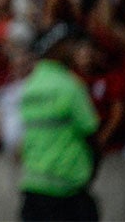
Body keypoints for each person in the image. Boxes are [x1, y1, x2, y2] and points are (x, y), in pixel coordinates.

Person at [19, 23, 100, 222]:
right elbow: (91, 133)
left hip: (33, 184)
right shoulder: (69, 86)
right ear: (58, 48)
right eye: (70, 45)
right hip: (66, 190)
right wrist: (91, 171)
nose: (74, 50)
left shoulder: (30, 86)